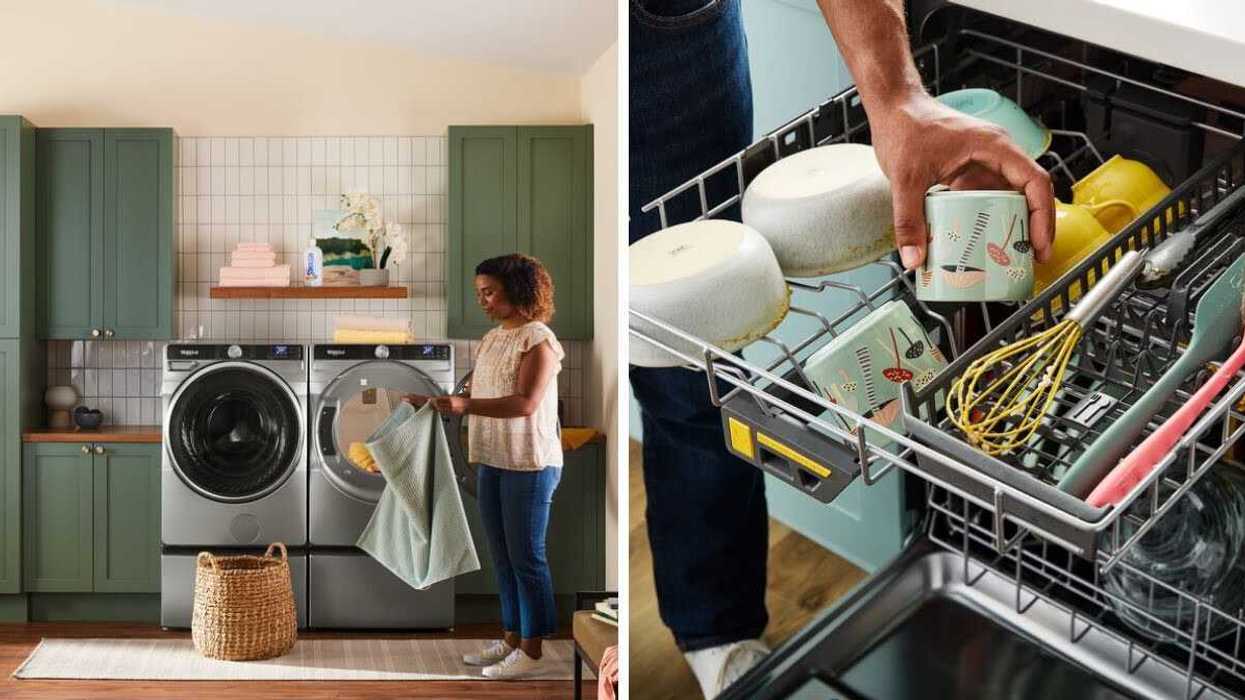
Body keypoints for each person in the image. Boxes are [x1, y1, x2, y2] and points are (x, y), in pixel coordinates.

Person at [630, 1, 1055, 697]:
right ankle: (713, 628)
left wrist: (895, 96)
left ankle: (717, 629)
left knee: (690, 375)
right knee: (677, 344)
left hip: (664, 27)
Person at [410, 253, 565, 680]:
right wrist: (431, 403)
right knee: (503, 557)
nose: (483, 300)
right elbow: (482, 393)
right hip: (492, 459)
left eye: (490, 292)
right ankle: (512, 638)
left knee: (527, 558)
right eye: (479, 292)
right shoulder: (493, 338)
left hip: (529, 463)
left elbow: (524, 403)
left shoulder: (539, 340)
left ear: (518, 291)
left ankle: (533, 651)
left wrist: (462, 405)